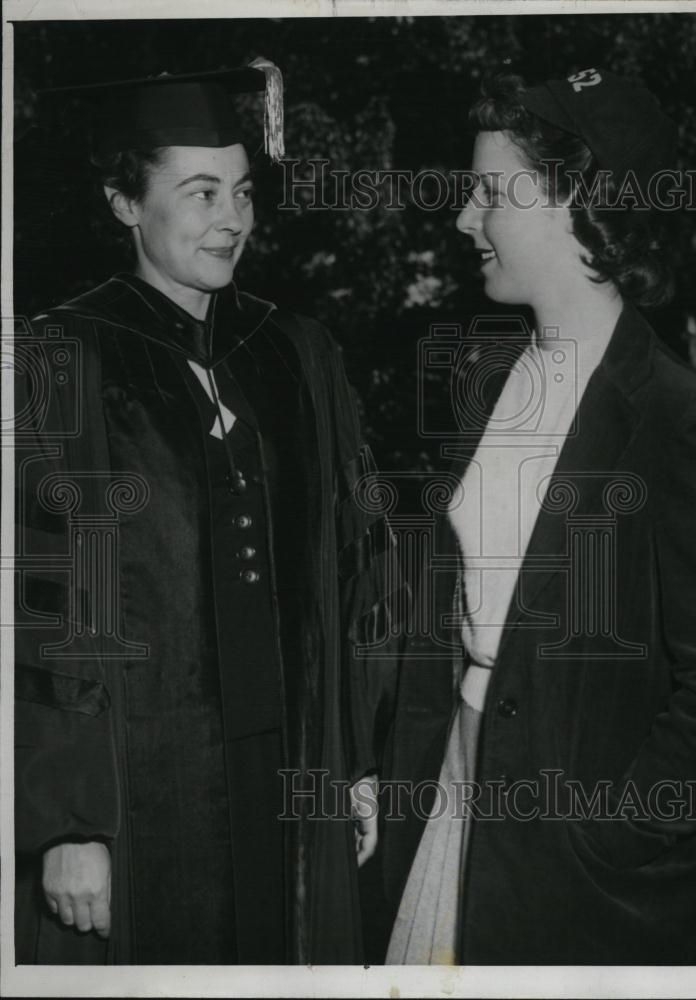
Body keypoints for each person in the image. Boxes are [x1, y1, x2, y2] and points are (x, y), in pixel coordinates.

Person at [14, 62, 401, 965]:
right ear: (123, 203)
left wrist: (360, 759)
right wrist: (65, 821)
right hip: (145, 773)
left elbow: (361, 563)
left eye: (242, 191)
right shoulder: (60, 357)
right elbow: (43, 600)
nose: (232, 218)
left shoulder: (296, 352)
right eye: (199, 193)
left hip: (295, 757)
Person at [382, 68, 696, 964]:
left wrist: (604, 839)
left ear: (576, 201)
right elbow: (442, 611)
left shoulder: (684, 421)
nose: (463, 219)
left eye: (490, 193)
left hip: (575, 873)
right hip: (451, 798)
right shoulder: (484, 374)